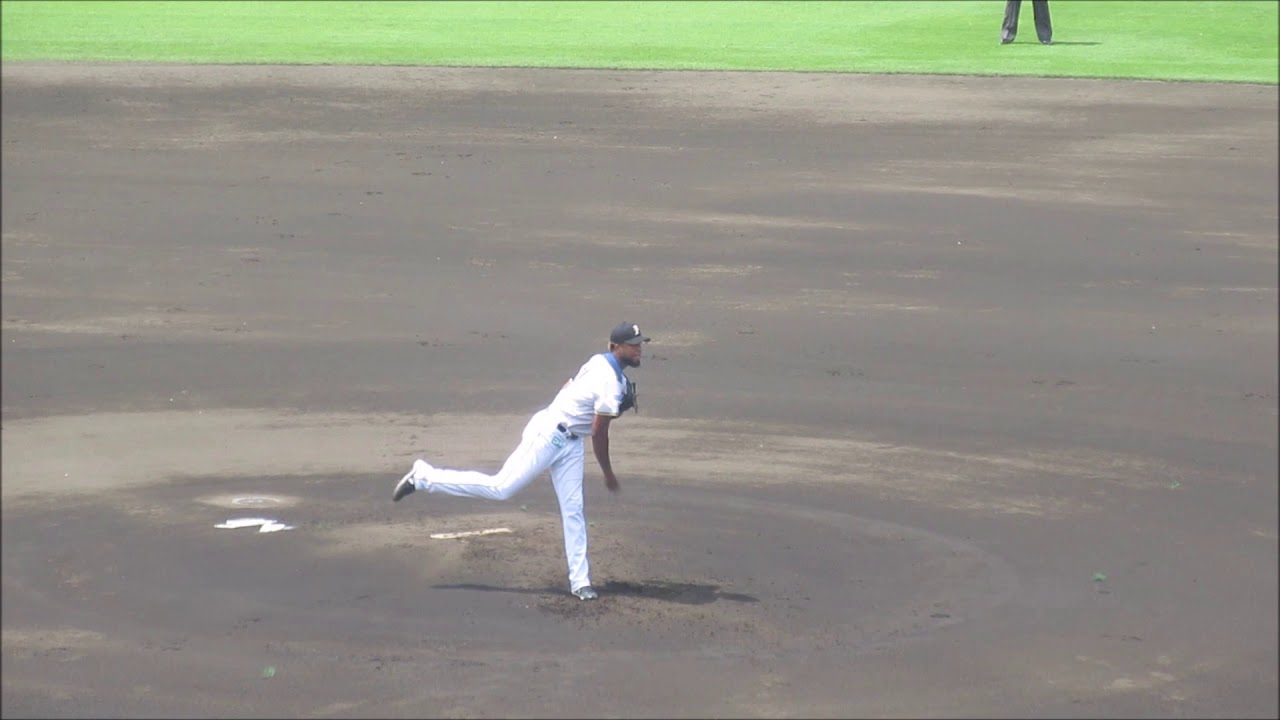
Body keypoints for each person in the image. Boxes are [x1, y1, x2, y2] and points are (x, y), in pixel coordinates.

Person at [391, 321, 649, 601]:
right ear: (616, 347)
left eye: (640, 344)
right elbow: (599, 433)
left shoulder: (600, 362)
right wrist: (607, 473)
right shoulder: (610, 382)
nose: (639, 350)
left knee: (574, 509)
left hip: (572, 442)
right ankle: (424, 477)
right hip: (548, 435)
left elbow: (569, 386)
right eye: (633, 345)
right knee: (501, 487)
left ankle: (580, 582)